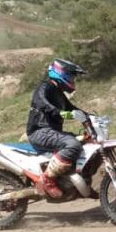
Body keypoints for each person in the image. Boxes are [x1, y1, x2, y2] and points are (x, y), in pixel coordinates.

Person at [26, 59, 88, 199]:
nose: (72, 79)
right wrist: (60, 113)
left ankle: (81, 185)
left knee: (84, 141)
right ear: (61, 73)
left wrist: (90, 117)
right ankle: (46, 180)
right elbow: (42, 102)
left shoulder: (59, 93)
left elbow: (71, 108)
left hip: (52, 132)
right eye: (71, 75)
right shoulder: (44, 87)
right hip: (39, 131)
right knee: (72, 144)